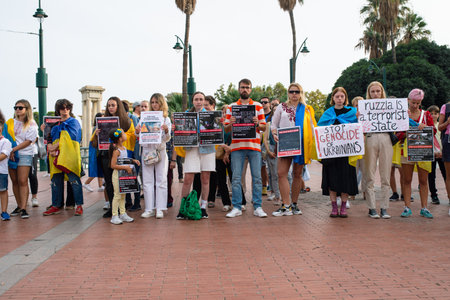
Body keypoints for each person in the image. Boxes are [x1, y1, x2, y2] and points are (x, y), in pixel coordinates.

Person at [270, 83, 317, 217]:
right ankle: (286, 205)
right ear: (288, 93)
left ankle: (294, 204)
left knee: (297, 174)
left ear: (301, 93)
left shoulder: (307, 109)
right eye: (292, 91)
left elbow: (313, 127)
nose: (294, 94)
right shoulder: (281, 107)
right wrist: (274, 134)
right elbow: (274, 125)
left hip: (301, 144)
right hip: (285, 143)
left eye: (297, 91)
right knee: (281, 173)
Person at [224, 78, 268, 218]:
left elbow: (264, 126)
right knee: (236, 178)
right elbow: (225, 129)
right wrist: (230, 123)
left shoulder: (257, 106)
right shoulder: (231, 107)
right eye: (243, 87)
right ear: (239, 89)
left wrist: (257, 123)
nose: (245, 90)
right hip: (237, 147)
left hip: (254, 146)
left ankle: (258, 206)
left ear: (251, 89)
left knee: (257, 178)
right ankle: (236, 206)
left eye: (247, 87)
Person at [318, 87, 358, 218]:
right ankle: (334, 207)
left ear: (345, 98)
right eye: (337, 96)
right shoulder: (328, 113)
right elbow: (320, 129)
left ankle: (343, 207)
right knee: (332, 180)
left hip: (346, 152)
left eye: (342, 96)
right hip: (331, 152)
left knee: (345, 179)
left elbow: (359, 127)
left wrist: (359, 119)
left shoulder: (352, 113)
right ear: (333, 98)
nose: (339, 99)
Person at [93, 97, 136, 218]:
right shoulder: (102, 120)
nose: (111, 107)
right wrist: (96, 135)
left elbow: (131, 137)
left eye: (113, 105)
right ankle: (113, 209)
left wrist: (122, 134)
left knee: (121, 181)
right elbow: (94, 142)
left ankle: (123, 208)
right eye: (109, 105)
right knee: (109, 183)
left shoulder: (127, 121)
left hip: (120, 155)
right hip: (105, 154)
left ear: (118, 106)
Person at [397, 89, 435, 218]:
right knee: (406, 179)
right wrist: (406, 131)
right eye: (413, 102)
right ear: (408, 101)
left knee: (423, 180)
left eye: (418, 103)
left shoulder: (426, 114)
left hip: (423, 149)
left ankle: (424, 207)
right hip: (406, 150)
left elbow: (433, 131)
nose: (415, 105)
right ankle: (407, 207)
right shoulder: (402, 114)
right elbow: (397, 132)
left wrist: (424, 127)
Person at [43, 99, 84, 216]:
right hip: (54, 156)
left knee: (74, 180)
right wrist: (50, 146)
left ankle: (79, 205)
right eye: (62, 108)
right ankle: (56, 205)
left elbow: (73, 137)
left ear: (70, 109)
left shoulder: (74, 122)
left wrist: (55, 146)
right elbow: (48, 137)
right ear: (58, 110)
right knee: (55, 181)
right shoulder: (53, 123)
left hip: (69, 156)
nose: (65, 110)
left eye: (67, 108)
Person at [176, 91, 213, 219]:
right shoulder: (186, 115)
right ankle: (182, 208)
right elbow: (179, 131)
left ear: (204, 101)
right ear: (193, 101)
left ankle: (203, 207)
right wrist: (176, 127)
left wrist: (220, 123)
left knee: (205, 178)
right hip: (191, 148)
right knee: (187, 179)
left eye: (201, 99)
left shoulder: (210, 115)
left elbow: (217, 131)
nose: (198, 101)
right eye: (196, 99)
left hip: (207, 148)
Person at [138, 93, 171, 219]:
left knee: (161, 179)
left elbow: (167, 139)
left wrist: (166, 130)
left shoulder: (166, 119)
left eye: (156, 102)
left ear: (161, 103)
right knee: (147, 180)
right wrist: (138, 132)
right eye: (152, 102)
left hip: (160, 150)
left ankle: (160, 208)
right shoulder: (144, 117)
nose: (154, 104)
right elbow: (139, 135)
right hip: (147, 150)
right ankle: (149, 208)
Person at [363, 81, 392, 219]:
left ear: (382, 92)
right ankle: (372, 207)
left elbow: (398, 121)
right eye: (373, 91)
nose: (375, 94)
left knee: (385, 175)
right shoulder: (364, 107)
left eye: (378, 91)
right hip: (370, 138)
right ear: (369, 93)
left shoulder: (389, 107)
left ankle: (384, 207)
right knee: (369, 174)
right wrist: (359, 117)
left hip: (386, 138)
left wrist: (404, 114)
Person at [7, 99, 38, 219]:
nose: (17, 110)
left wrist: (14, 149)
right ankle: (19, 206)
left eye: (20, 108)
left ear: (27, 109)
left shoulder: (31, 124)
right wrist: (9, 151)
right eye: (16, 108)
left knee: (22, 180)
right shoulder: (10, 122)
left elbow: (29, 141)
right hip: (10, 155)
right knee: (14, 181)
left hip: (24, 153)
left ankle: (24, 208)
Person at [108, 128, 139, 225]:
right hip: (117, 175)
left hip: (123, 175)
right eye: (124, 133)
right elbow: (113, 165)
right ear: (120, 139)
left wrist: (133, 161)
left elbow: (124, 160)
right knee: (117, 195)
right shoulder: (116, 150)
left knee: (123, 194)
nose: (126, 134)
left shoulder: (124, 148)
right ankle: (114, 215)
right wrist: (125, 167)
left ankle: (122, 213)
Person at [427, 105, 446, 204]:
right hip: (431, 154)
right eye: (431, 114)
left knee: (446, 175)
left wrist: (443, 152)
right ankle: (434, 195)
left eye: (435, 113)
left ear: (439, 115)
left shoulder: (441, 126)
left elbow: (443, 139)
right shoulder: (427, 125)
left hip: (442, 154)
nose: (433, 115)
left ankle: (448, 194)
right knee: (431, 175)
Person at [83, 112, 105, 194]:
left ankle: (100, 186)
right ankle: (86, 183)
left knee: (99, 169)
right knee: (95, 169)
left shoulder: (95, 127)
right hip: (97, 150)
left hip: (96, 150)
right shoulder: (97, 128)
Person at [263, 101, 281, 205]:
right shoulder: (268, 124)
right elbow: (265, 139)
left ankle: (287, 196)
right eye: (274, 111)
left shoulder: (284, 123)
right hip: (272, 150)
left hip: (283, 151)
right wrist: (268, 151)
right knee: (274, 174)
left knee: (287, 175)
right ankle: (277, 196)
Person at [438, 101, 450, 216]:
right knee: (449, 175)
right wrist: (448, 122)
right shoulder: (445, 107)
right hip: (448, 142)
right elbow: (440, 127)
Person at [0, 110, 12, 221]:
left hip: (1, 172)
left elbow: (4, 155)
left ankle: (4, 211)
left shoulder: (5, 142)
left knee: (3, 191)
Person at [260, 96, 271, 196]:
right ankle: (264, 186)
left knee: (271, 167)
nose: (263, 104)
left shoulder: (272, 114)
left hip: (270, 143)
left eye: (265, 102)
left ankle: (271, 187)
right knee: (262, 167)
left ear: (269, 103)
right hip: (260, 143)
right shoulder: (259, 115)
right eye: (261, 102)